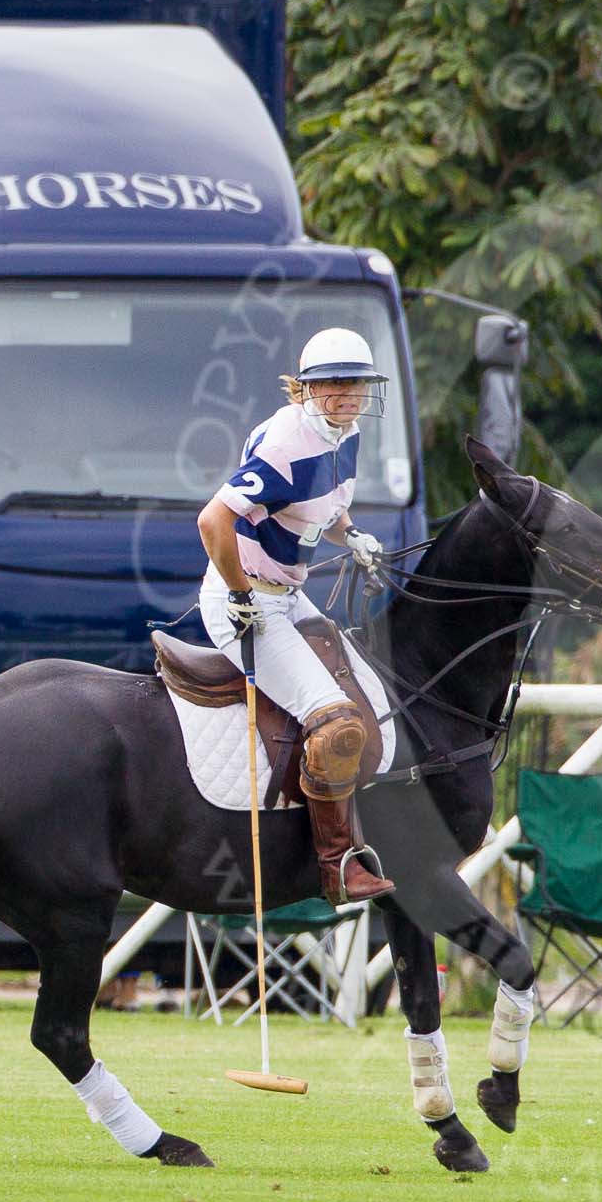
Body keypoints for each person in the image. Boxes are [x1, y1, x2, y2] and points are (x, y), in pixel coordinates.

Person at [195, 327, 396, 905]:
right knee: (337, 722)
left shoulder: (347, 434)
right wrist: (238, 594)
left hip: (288, 592)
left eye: (354, 382)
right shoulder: (288, 443)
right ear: (305, 389)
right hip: (247, 599)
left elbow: (321, 508)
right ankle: (337, 864)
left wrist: (350, 534)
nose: (345, 394)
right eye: (331, 383)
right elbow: (213, 521)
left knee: (372, 698)